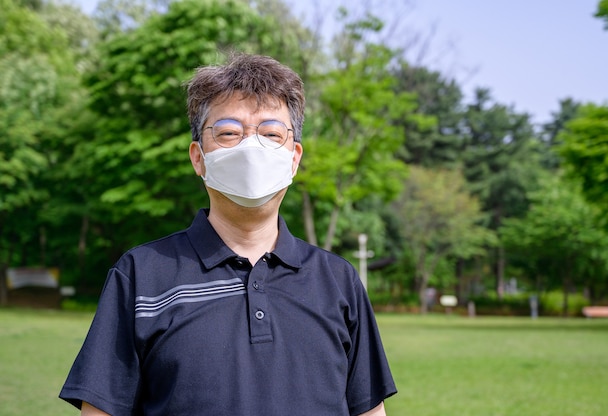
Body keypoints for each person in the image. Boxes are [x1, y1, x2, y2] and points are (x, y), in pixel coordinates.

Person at [59, 53, 397, 416]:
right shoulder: (140, 274)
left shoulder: (338, 280)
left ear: (294, 158)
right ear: (198, 157)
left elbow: (369, 410)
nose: (251, 148)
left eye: (271, 134)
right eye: (228, 133)